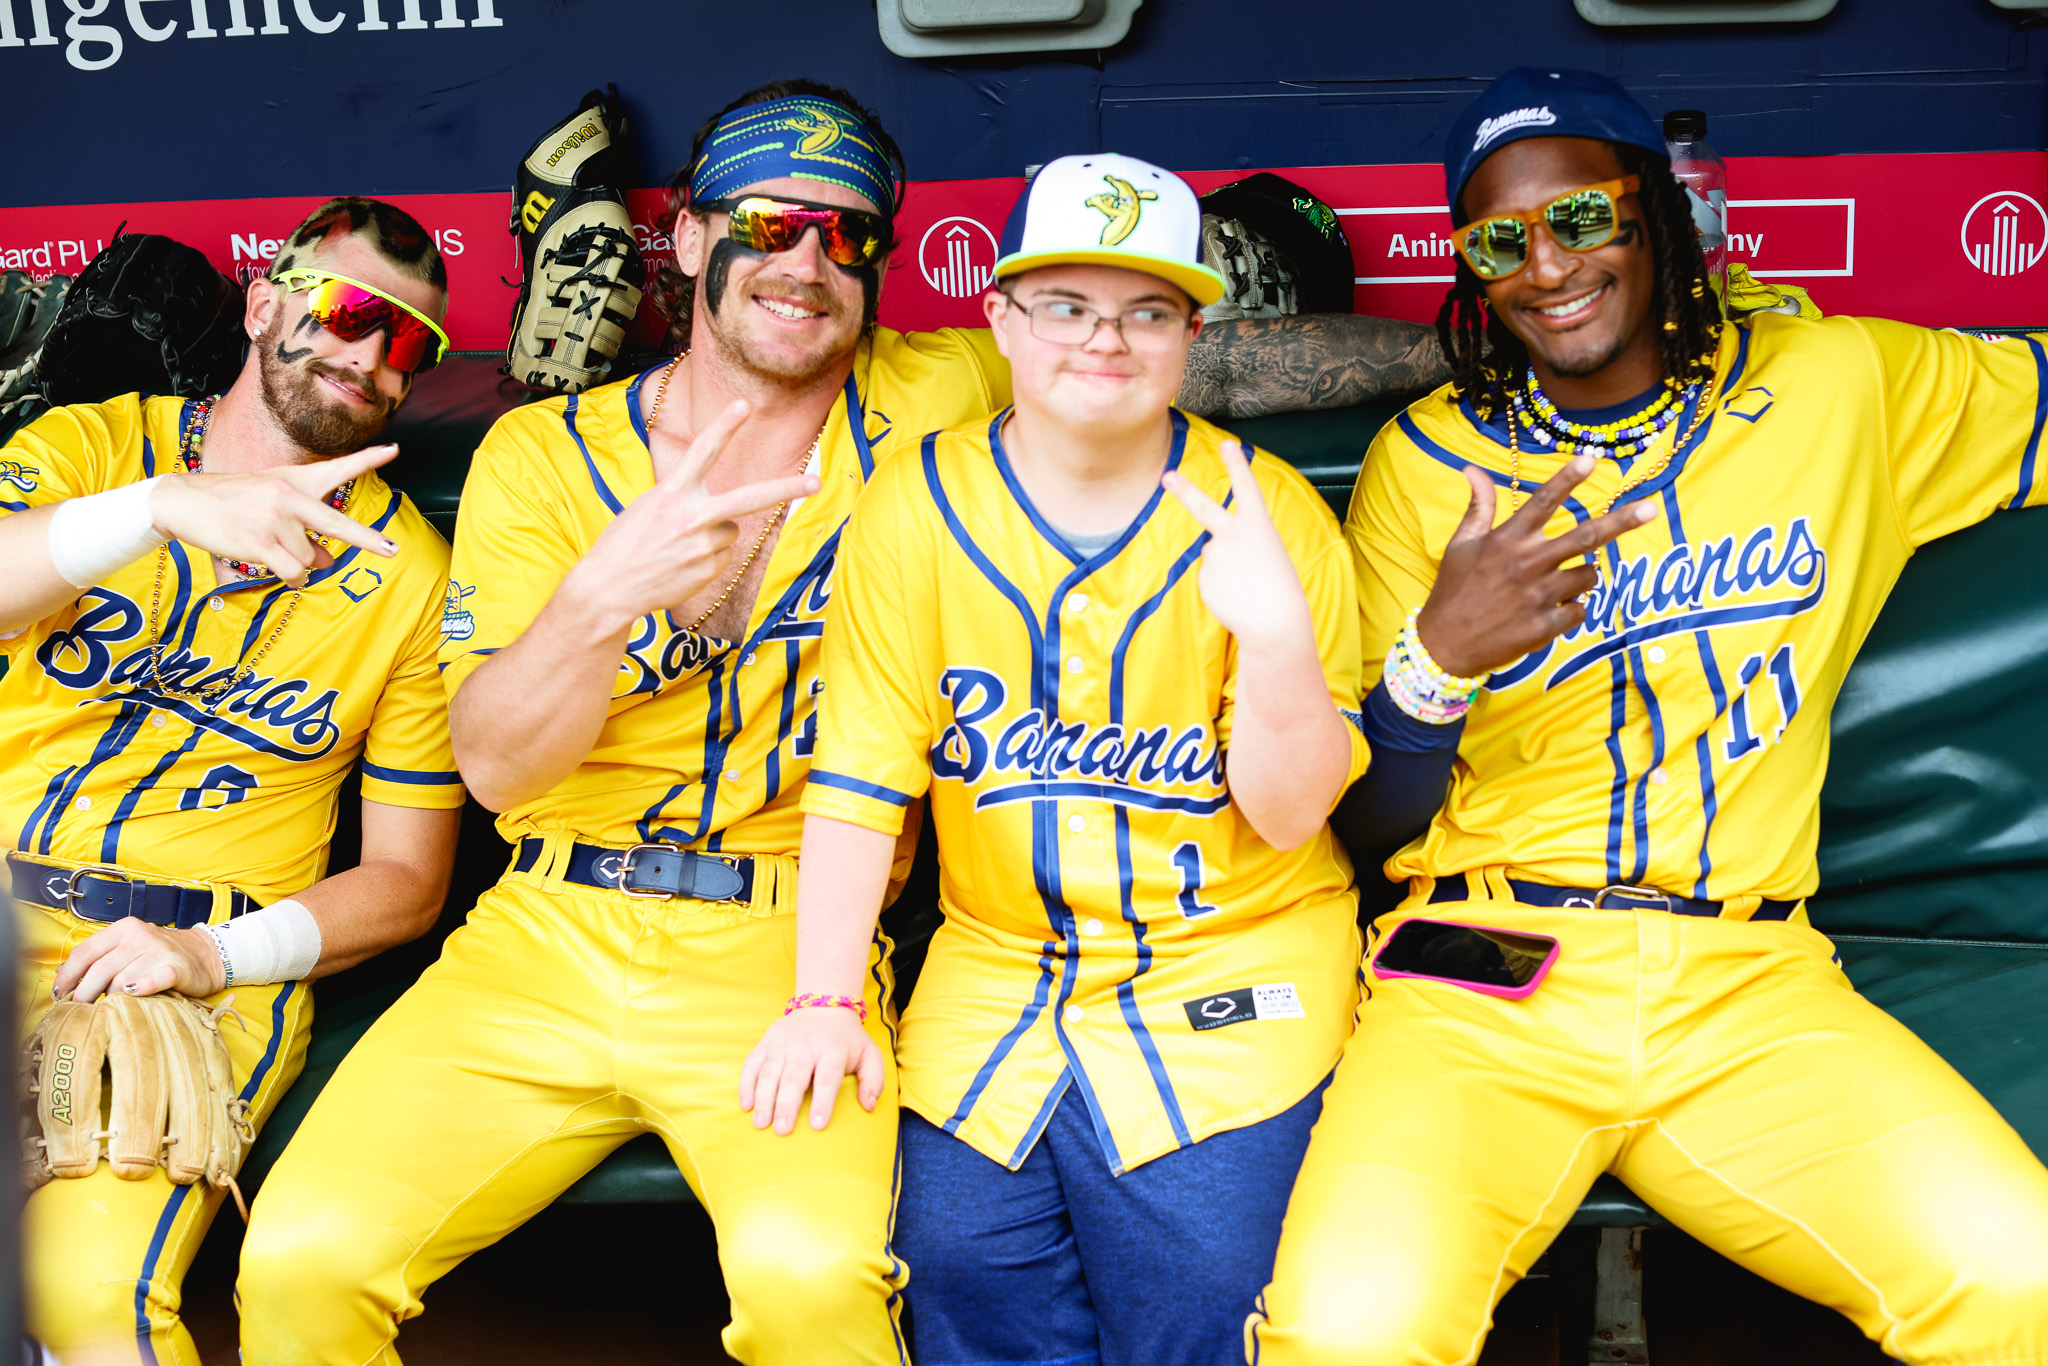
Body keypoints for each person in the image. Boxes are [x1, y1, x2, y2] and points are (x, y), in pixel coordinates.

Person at [235, 82, 1449, 1366]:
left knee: (815, 1280)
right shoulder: (542, 455)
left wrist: (1478, 350)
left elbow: (1180, 358)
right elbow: (491, 767)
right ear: (688, 237)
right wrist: (598, 600)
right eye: (766, 223)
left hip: (783, 919)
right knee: (301, 1258)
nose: (805, 262)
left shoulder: (945, 390)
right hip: (545, 925)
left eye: (848, 235)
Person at [743, 151, 1644, 1366]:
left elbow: (1291, 818)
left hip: (1231, 969)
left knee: (1211, 1281)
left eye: (1147, 311)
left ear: (1191, 336)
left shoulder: (1272, 515)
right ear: (998, 317)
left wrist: (1272, 640)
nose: (1103, 340)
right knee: (955, 1260)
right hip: (998, 974)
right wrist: (822, 999)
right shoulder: (914, 502)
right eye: (1065, 304)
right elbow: (860, 780)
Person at [1247, 67, 2048, 1365]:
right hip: (1479, 973)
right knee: (1349, 1334)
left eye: (1581, 217)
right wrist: (1437, 660)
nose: (1545, 266)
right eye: (1498, 241)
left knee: (2022, 1277)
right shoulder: (1426, 464)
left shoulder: (1838, 381)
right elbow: (1362, 825)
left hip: (1746, 982)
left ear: (1656, 213)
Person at [0, 196, 464, 1366]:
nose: (369, 353)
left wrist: (211, 956)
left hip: (172, 971)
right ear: (263, 303)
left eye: (408, 341)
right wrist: (156, 508)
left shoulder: (411, 575)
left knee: (86, 1303)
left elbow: (406, 881)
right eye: (347, 310)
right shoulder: (96, 449)